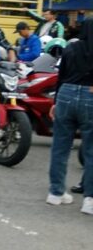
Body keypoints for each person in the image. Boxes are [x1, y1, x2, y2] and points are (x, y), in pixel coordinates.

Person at [47, 19, 93, 214]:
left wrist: (56, 102)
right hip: (90, 97)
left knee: (60, 146)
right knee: (91, 150)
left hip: (65, 94)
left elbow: (61, 76)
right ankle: (89, 201)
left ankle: (55, 193)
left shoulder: (71, 47)